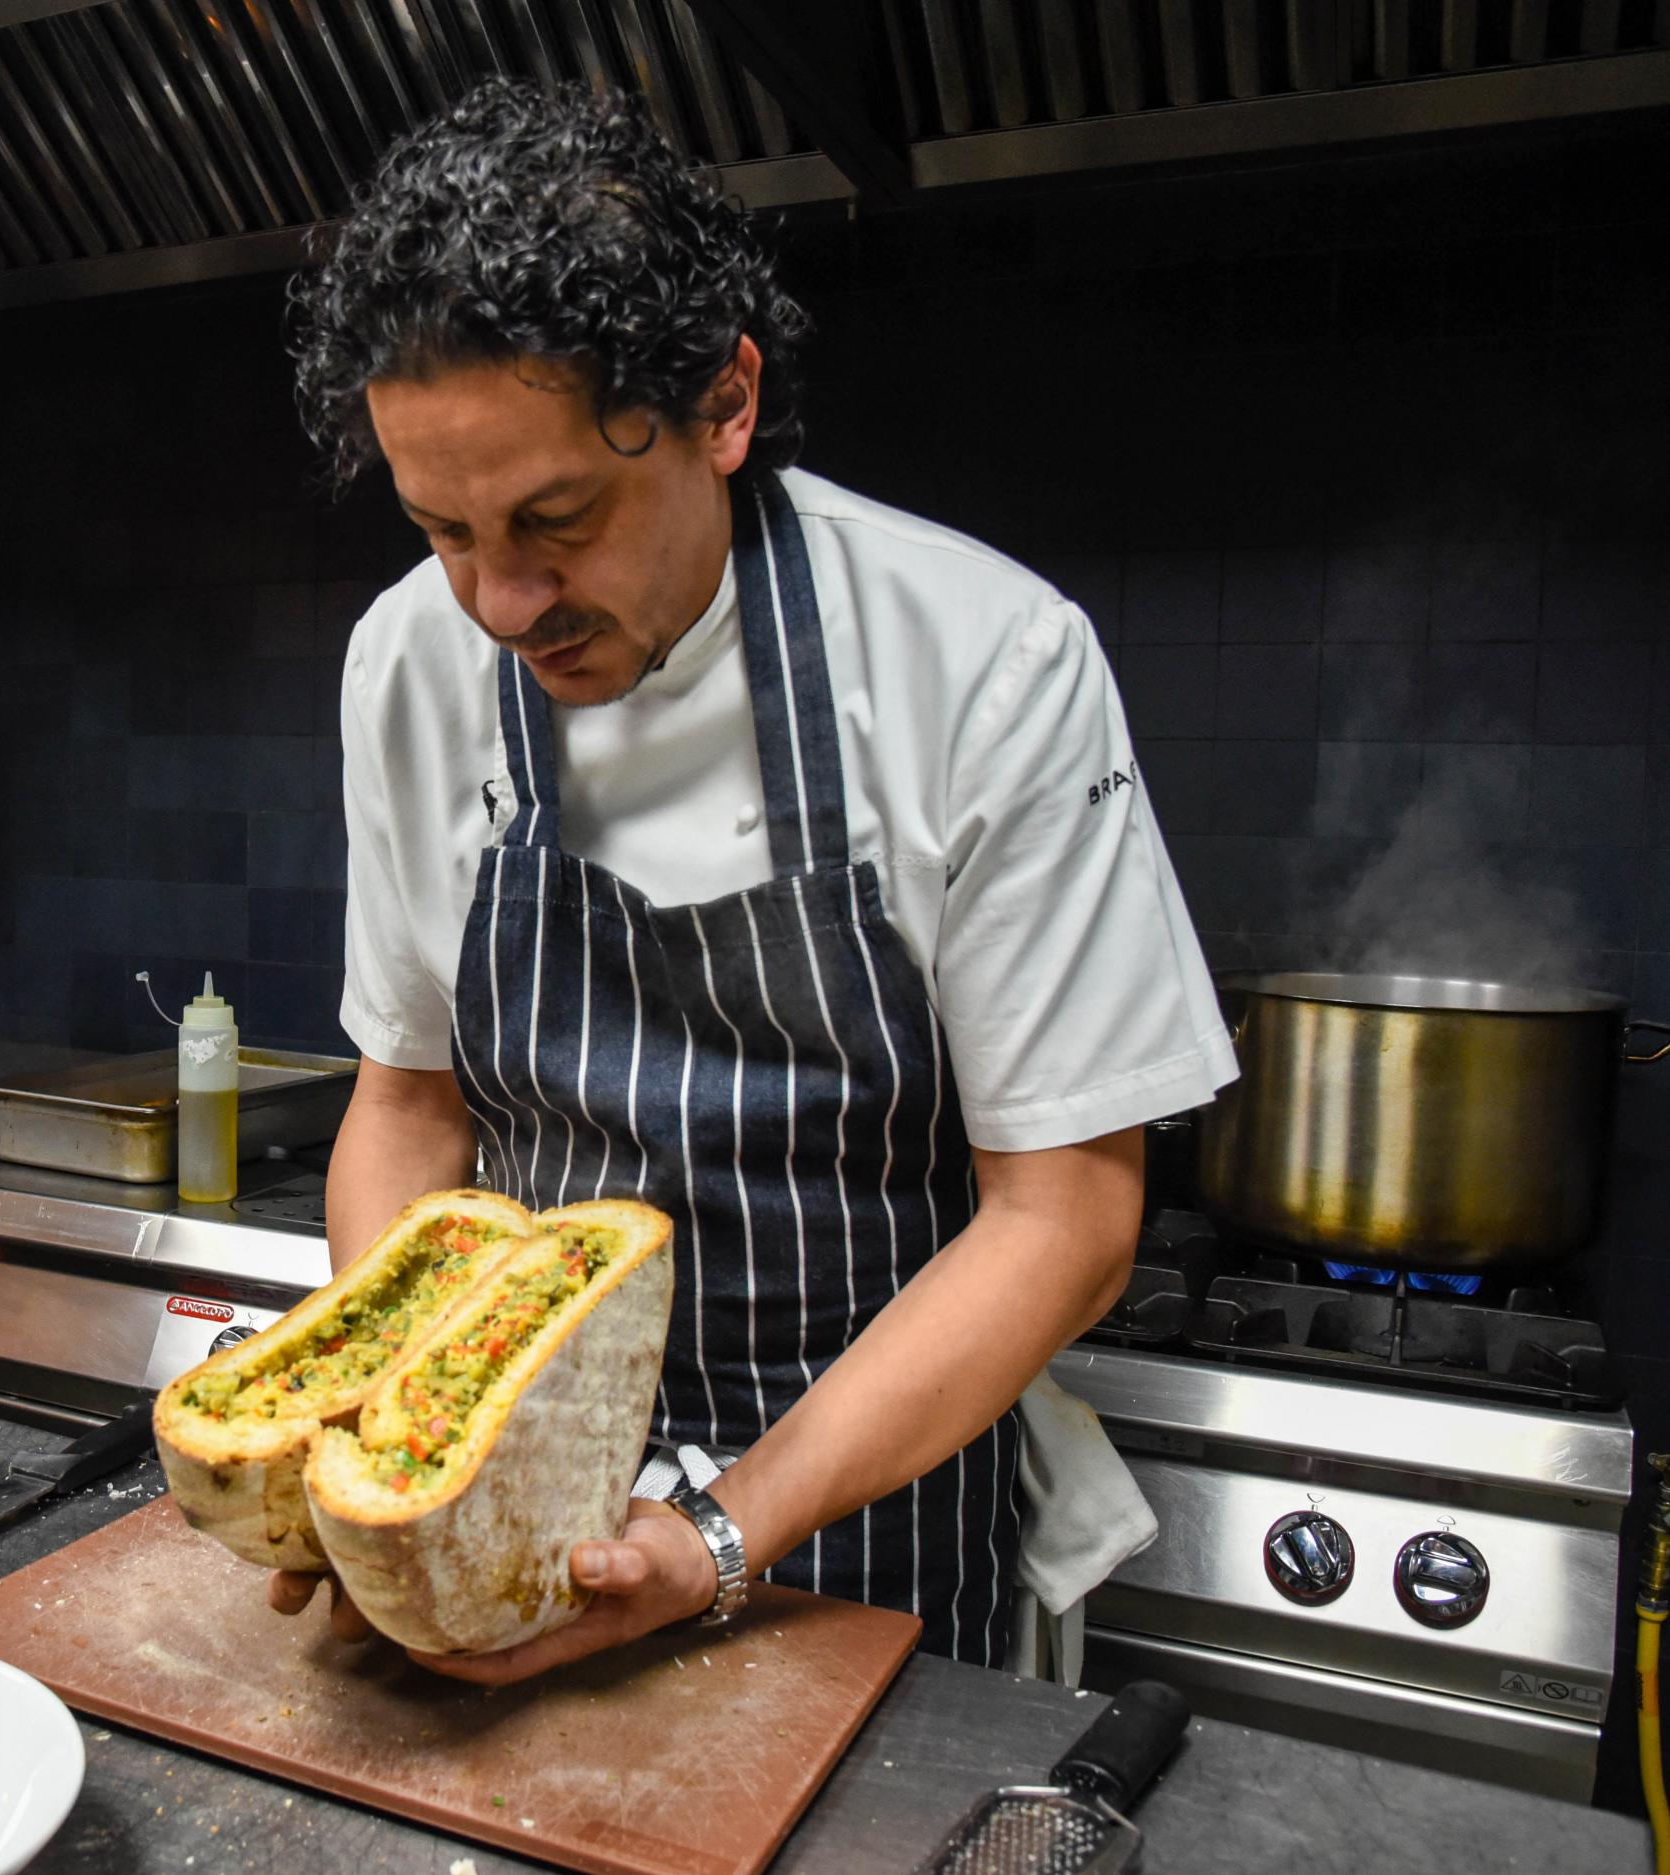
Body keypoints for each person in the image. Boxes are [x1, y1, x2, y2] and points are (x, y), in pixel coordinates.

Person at [281, 82, 1234, 1679]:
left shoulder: (980, 660)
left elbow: (1067, 1219)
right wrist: (395, 1449)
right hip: (505, 1517)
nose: (503, 600)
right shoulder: (410, 661)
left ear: (725, 404)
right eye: (442, 526)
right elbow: (410, 1105)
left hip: (860, 1535)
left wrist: (718, 1530)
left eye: (557, 518)